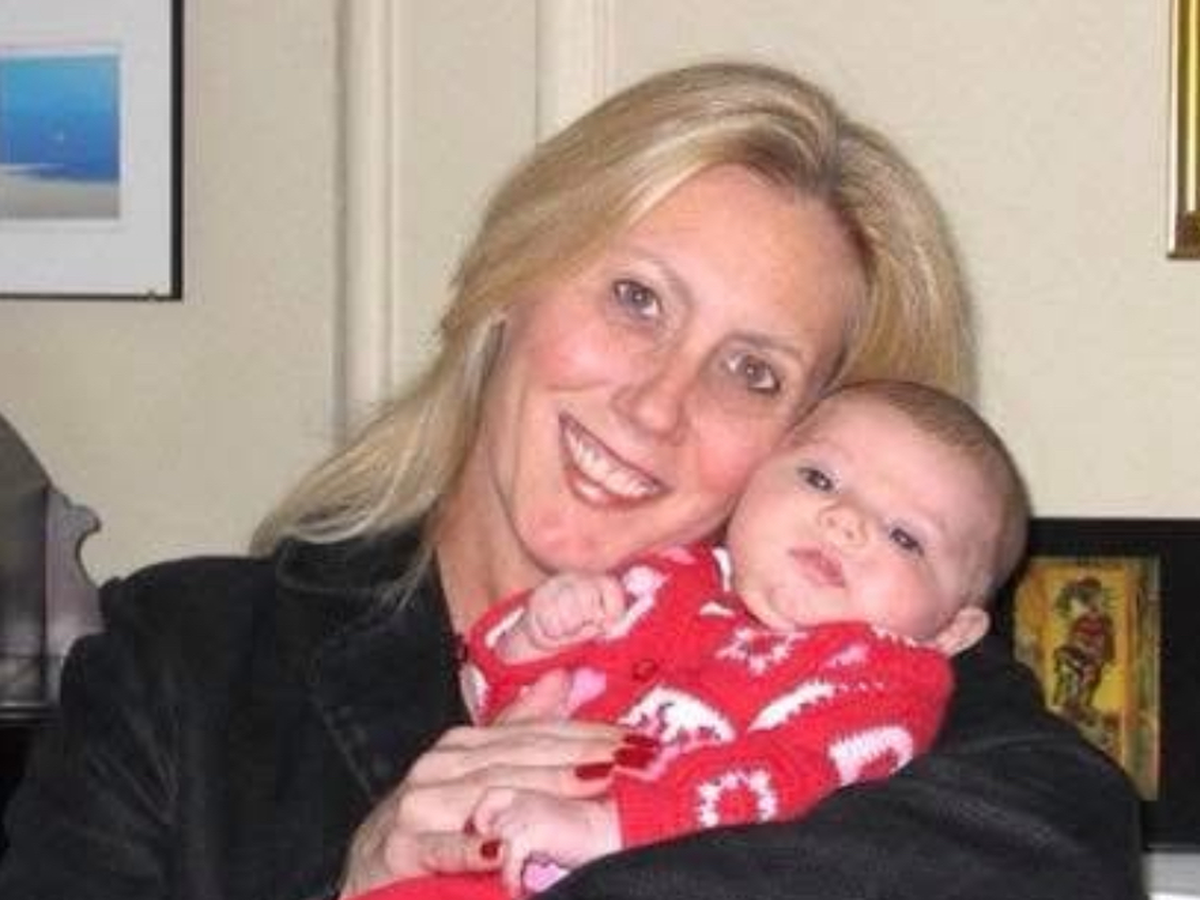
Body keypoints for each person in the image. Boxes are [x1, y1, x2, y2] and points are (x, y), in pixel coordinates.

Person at [0, 61, 1145, 900]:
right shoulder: (184, 665)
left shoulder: (867, 672)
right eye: (636, 299)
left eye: (752, 371)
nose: (656, 404)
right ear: (511, 280)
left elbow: (1066, 846)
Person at [357, 379, 1030, 900]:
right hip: (473, 864)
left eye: (905, 537)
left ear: (953, 629)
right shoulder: (664, 577)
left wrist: (608, 825)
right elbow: (496, 711)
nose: (845, 522)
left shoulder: (880, 681)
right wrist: (532, 639)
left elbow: (786, 781)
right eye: (820, 479)